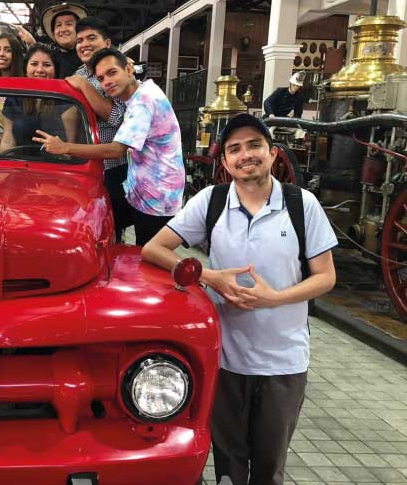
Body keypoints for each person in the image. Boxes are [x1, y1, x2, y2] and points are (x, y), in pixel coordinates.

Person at [142, 113, 338, 485]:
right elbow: (154, 248)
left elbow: (326, 277)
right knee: (228, 466)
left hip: (284, 361)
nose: (245, 155)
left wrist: (275, 298)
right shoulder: (212, 201)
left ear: (273, 153)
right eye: (235, 149)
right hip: (226, 359)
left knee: (269, 467)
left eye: (254, 146)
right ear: (225, 161)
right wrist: (209, 276)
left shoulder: (301, 204)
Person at [34, 47, 184, 245]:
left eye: (112, 73)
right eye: (102, 78)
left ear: (129, 69)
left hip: (156, 198)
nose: (107, 82)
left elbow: (115, 150)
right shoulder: (144, 90)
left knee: (149, 257)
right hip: (140, 189)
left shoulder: (143, 102)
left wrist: (65, 147)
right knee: (101, 223)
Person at [65, 16, 134, 242]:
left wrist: (84, 87)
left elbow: (117, 117)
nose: (84, 44)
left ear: (106, 43)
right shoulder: (80, 73)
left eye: (91, 38)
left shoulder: (114, 74)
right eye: (80, 40)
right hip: (85, 166)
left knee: (112, 228)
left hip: (114, 165)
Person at [0, 44, 78, 152]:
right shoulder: (14, 98)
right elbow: (7, 140)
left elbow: (71, 146)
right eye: (34, 64)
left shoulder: (65, 100)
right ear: (26, 69)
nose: (40, 70)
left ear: (55, 70)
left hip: (56, 164)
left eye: (46, 65)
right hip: (21, 163)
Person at [40, 3, 88, 77]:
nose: (63, 29)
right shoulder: (48, 59)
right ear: (53, 32)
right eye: (58, 25)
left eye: (69, 24)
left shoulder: (91, 57)